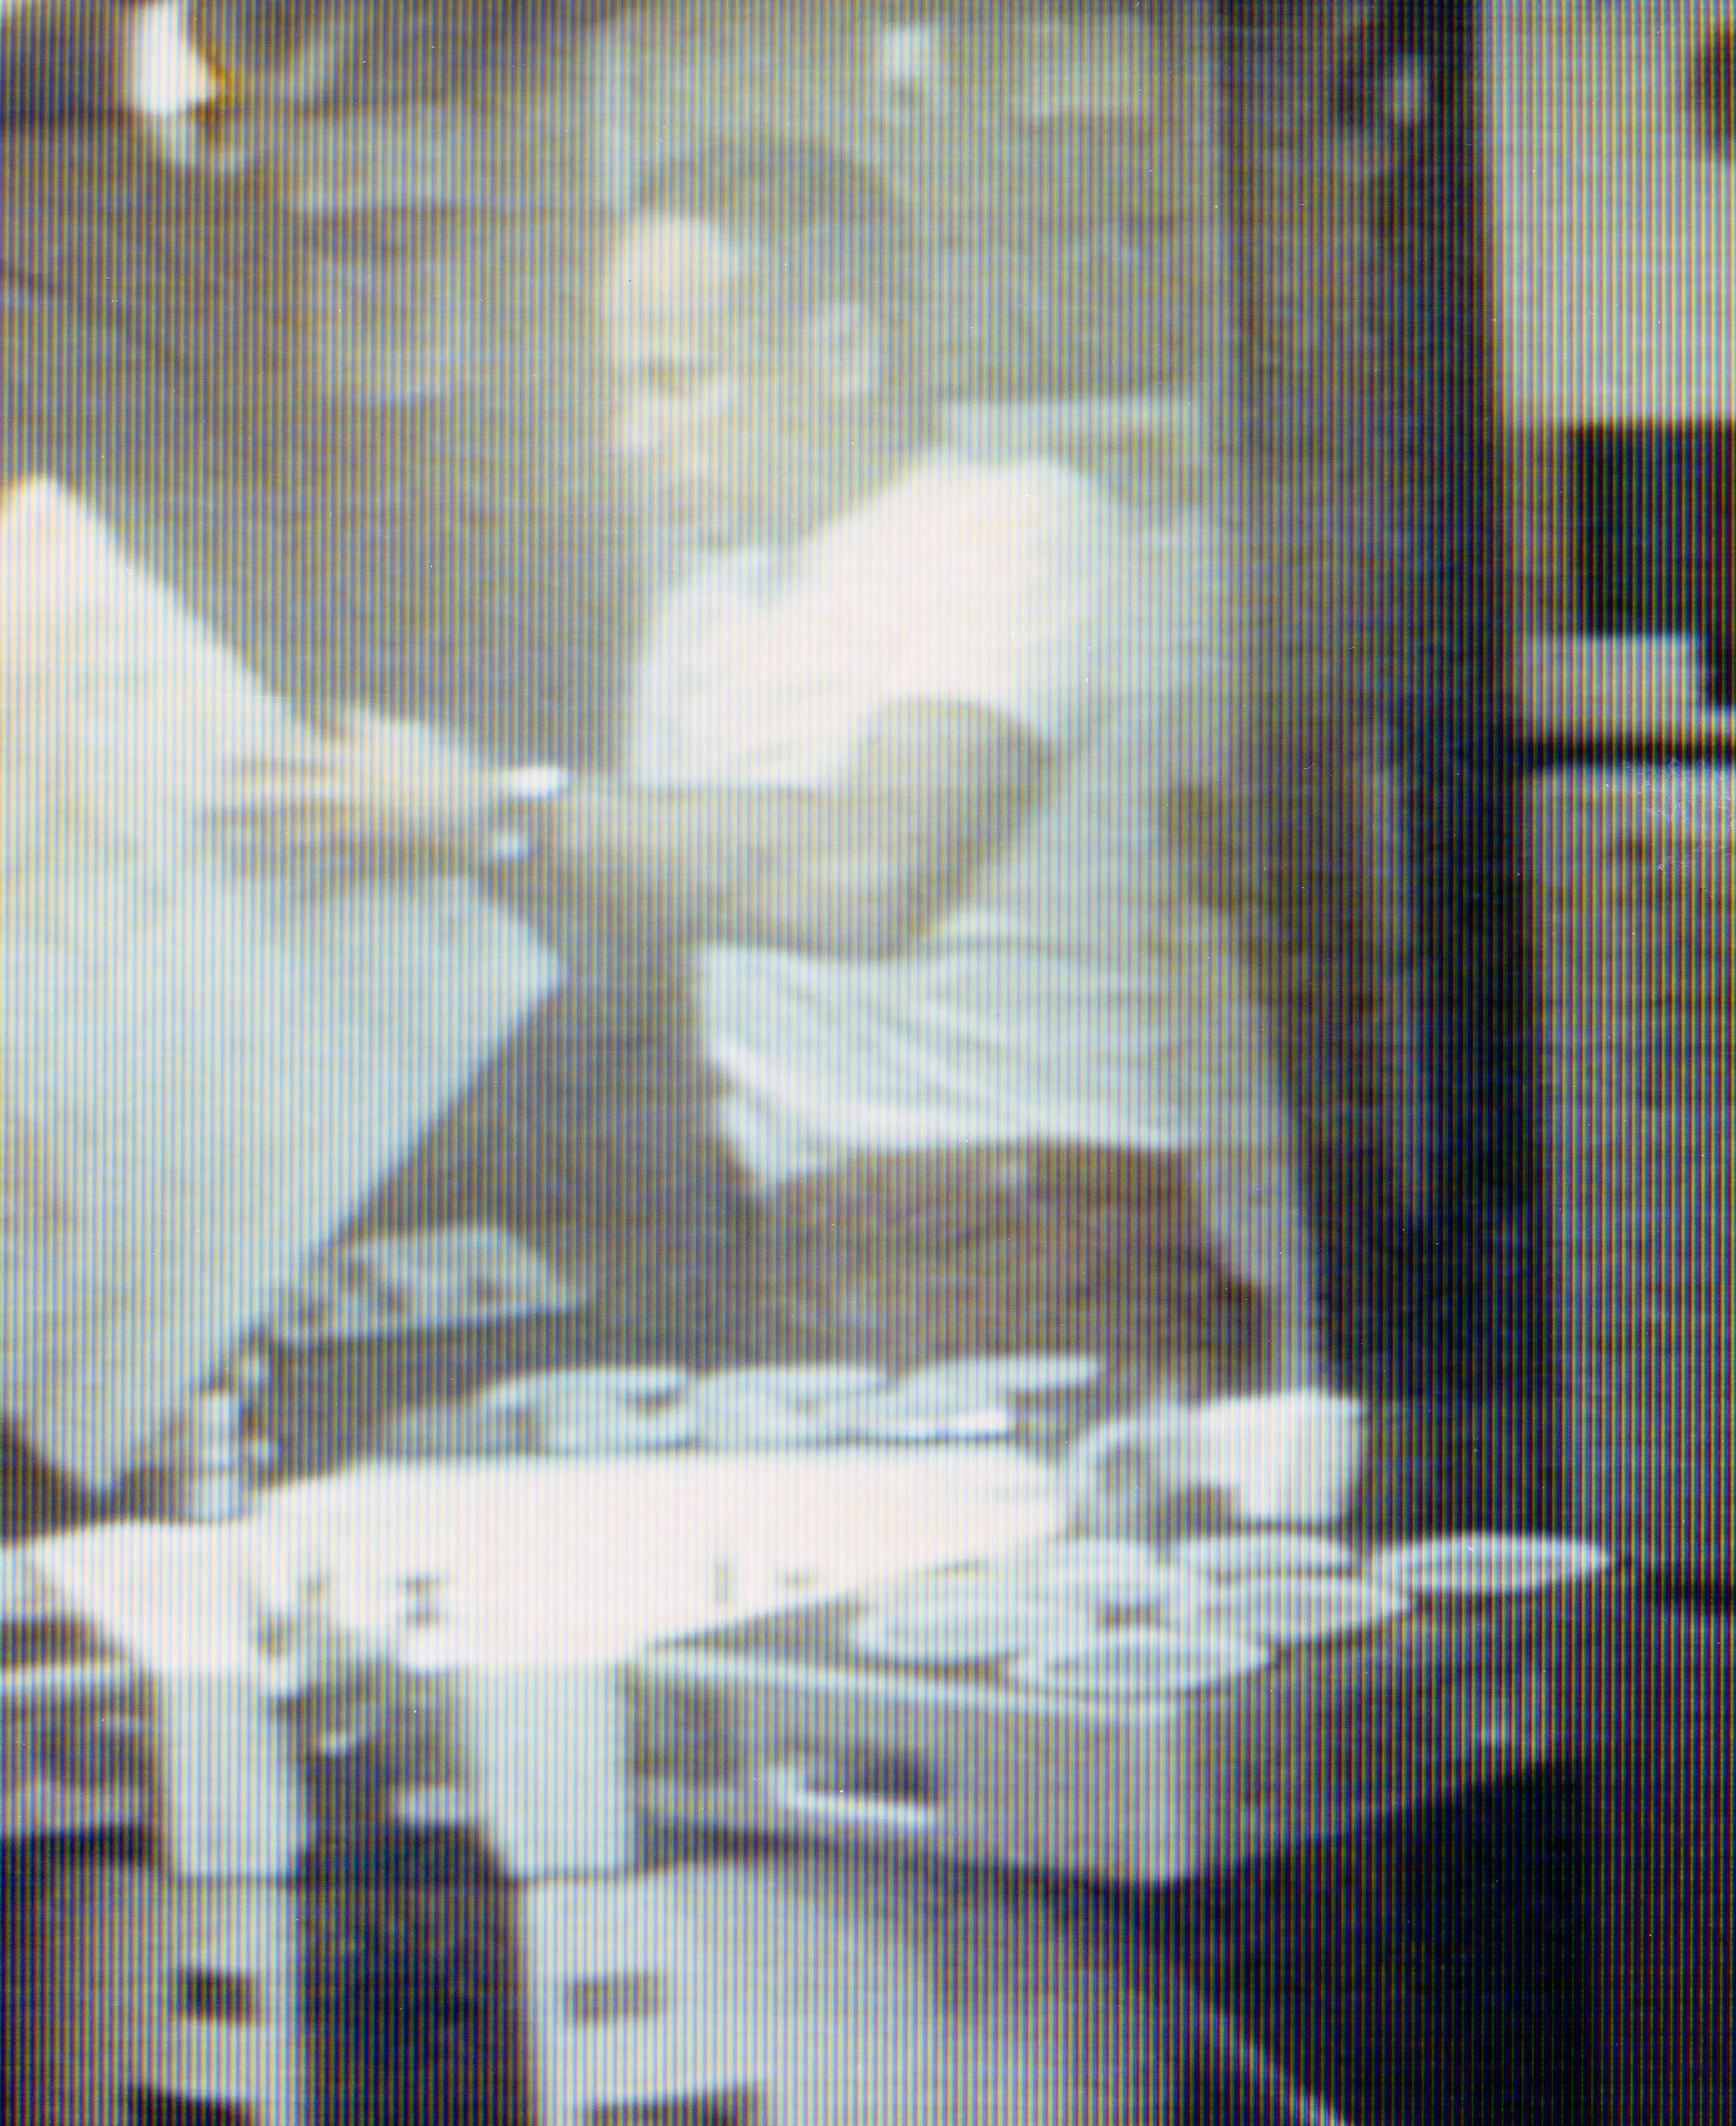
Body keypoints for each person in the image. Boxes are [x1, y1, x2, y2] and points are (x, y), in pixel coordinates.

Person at [232, 135, 1272, 1390]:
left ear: (844, 355)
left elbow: (867, 875)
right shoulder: (703, 616)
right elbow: (656, 912)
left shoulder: (1018, 531)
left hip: (1038, 1237)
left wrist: (484, 813)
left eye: (678, 383)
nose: (632, 439)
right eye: (622, 388)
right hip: (789, 1248)